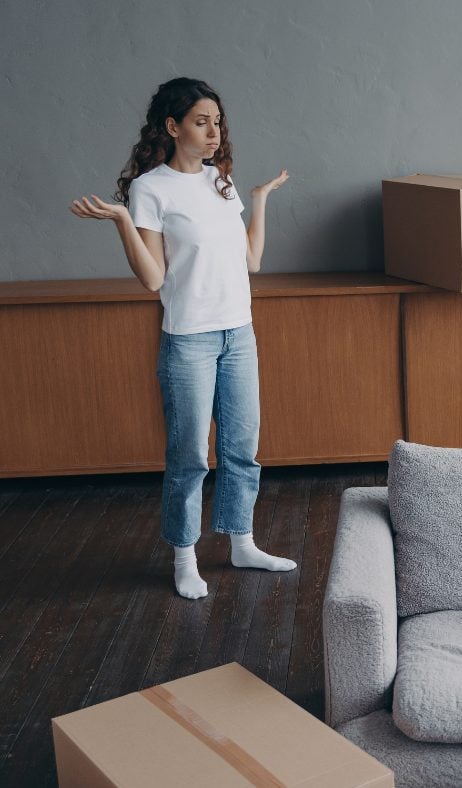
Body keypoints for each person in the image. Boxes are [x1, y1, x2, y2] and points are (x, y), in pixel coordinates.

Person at [70, 77, 295, 599]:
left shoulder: (221, 181)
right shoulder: (151, 189)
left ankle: (242, 543)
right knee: (191, 456)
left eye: (217, 122)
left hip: (239, 333)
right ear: (172, 127)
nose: (214, 132)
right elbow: (153, 278)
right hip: (189, 340)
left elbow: (252, 261)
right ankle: (184, 557)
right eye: (201, 122)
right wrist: (123, 220)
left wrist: (259, 200)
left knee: (243, 449)